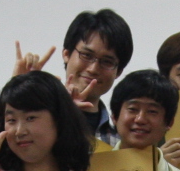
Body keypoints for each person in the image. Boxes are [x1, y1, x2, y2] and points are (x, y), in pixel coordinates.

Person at [12, 8, 133, 143]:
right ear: (66, 54)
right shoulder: (34, 120)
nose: (93, 69)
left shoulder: (120, 144)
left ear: (119, 71)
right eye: (86, 55)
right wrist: (16, 91)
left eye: (107, 62)